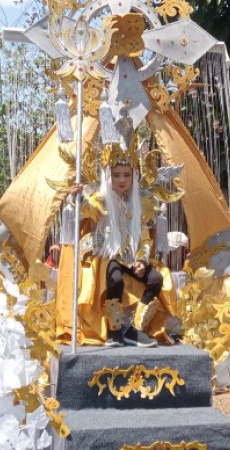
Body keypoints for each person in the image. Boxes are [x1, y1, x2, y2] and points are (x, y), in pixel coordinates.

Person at [65, 143, 165, 348]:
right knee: (115, 279)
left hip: (132, 256)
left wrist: (142, 260)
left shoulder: (140, 203)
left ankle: (136, 329)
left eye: (126, 175)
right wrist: (76, 197)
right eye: (116, 175)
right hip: (108, 254)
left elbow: (145, 237)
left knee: (156, 278)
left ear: (133, 177)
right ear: (108, 176)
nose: (121, 180)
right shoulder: (101, 199)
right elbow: (86, 209)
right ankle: (115, 330)